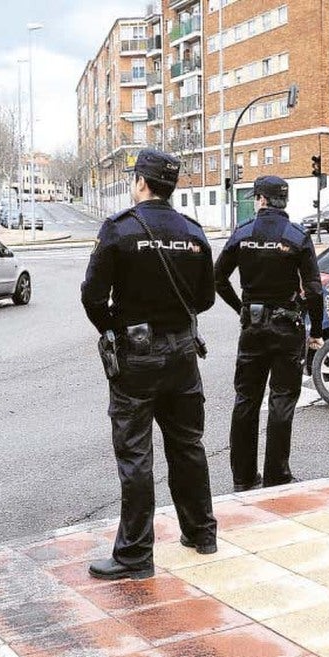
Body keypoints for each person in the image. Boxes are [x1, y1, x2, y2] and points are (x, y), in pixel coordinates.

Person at [81, 148, 218, 581]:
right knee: (188, 445)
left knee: (136, 455)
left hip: (137, 357)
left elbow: (92, 295)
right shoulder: (193, 233)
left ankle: (136, 555)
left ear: (141, 182)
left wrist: (115, 328)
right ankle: (201, 533)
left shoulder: (120, 230)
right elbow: (205, 299)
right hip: (181, 352)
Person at [214, 176, 324, 492]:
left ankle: (244, 478)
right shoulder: (297, 236)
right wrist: (315, 330)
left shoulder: (243, 233)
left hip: (253, 326)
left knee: (246, 400)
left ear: (261, 200)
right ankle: (277, 475)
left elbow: (217, 279)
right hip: (287, 327)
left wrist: (242, 310)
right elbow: (315, 291)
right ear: (283, 201)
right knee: (281, 400)